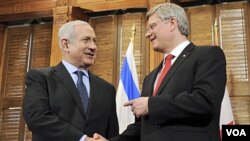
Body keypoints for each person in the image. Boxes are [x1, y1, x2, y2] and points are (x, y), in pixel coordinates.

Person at [93, 2, 226, 141]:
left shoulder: (208, 55)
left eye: (152, 26)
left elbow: (205, 101)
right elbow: (142, 127)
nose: (147, 34)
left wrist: (151, 104)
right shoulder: (150, 78)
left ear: (172, 23)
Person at [22, 20, 119, 141]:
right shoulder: (41, 78)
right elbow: (37, 118)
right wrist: (82, 139)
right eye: (86, 40)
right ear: (65, 45)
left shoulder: (107, 89)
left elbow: (112, 133)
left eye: (95, 41)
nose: (93, 47)